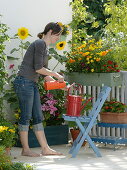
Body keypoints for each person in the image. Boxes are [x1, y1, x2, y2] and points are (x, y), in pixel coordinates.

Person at [13, 22, 64, 157]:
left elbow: (43, 73)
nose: (58, 38)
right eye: (57, 35)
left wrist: (59, 84)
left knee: (37, 116)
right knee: (26, 117)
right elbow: (38, 68)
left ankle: (45, 148)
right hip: (24, 82)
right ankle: (26, 149)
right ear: (50, 31)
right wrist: (56, 74)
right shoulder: (40, 44)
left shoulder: (45, 47)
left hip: (31, 83)